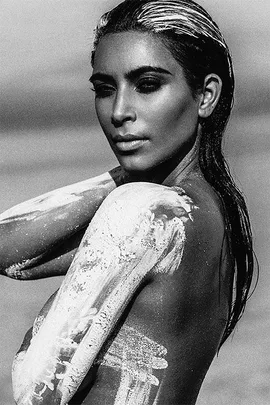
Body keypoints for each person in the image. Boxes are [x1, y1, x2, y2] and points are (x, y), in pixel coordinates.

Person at [0, 0, 254, 404]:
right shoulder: (213, 214)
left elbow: (37, 386)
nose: (119, 112)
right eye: (105, 89)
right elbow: (9, 250)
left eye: (148, 85)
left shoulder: (145, 213)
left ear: (206, 95)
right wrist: (124, 175)